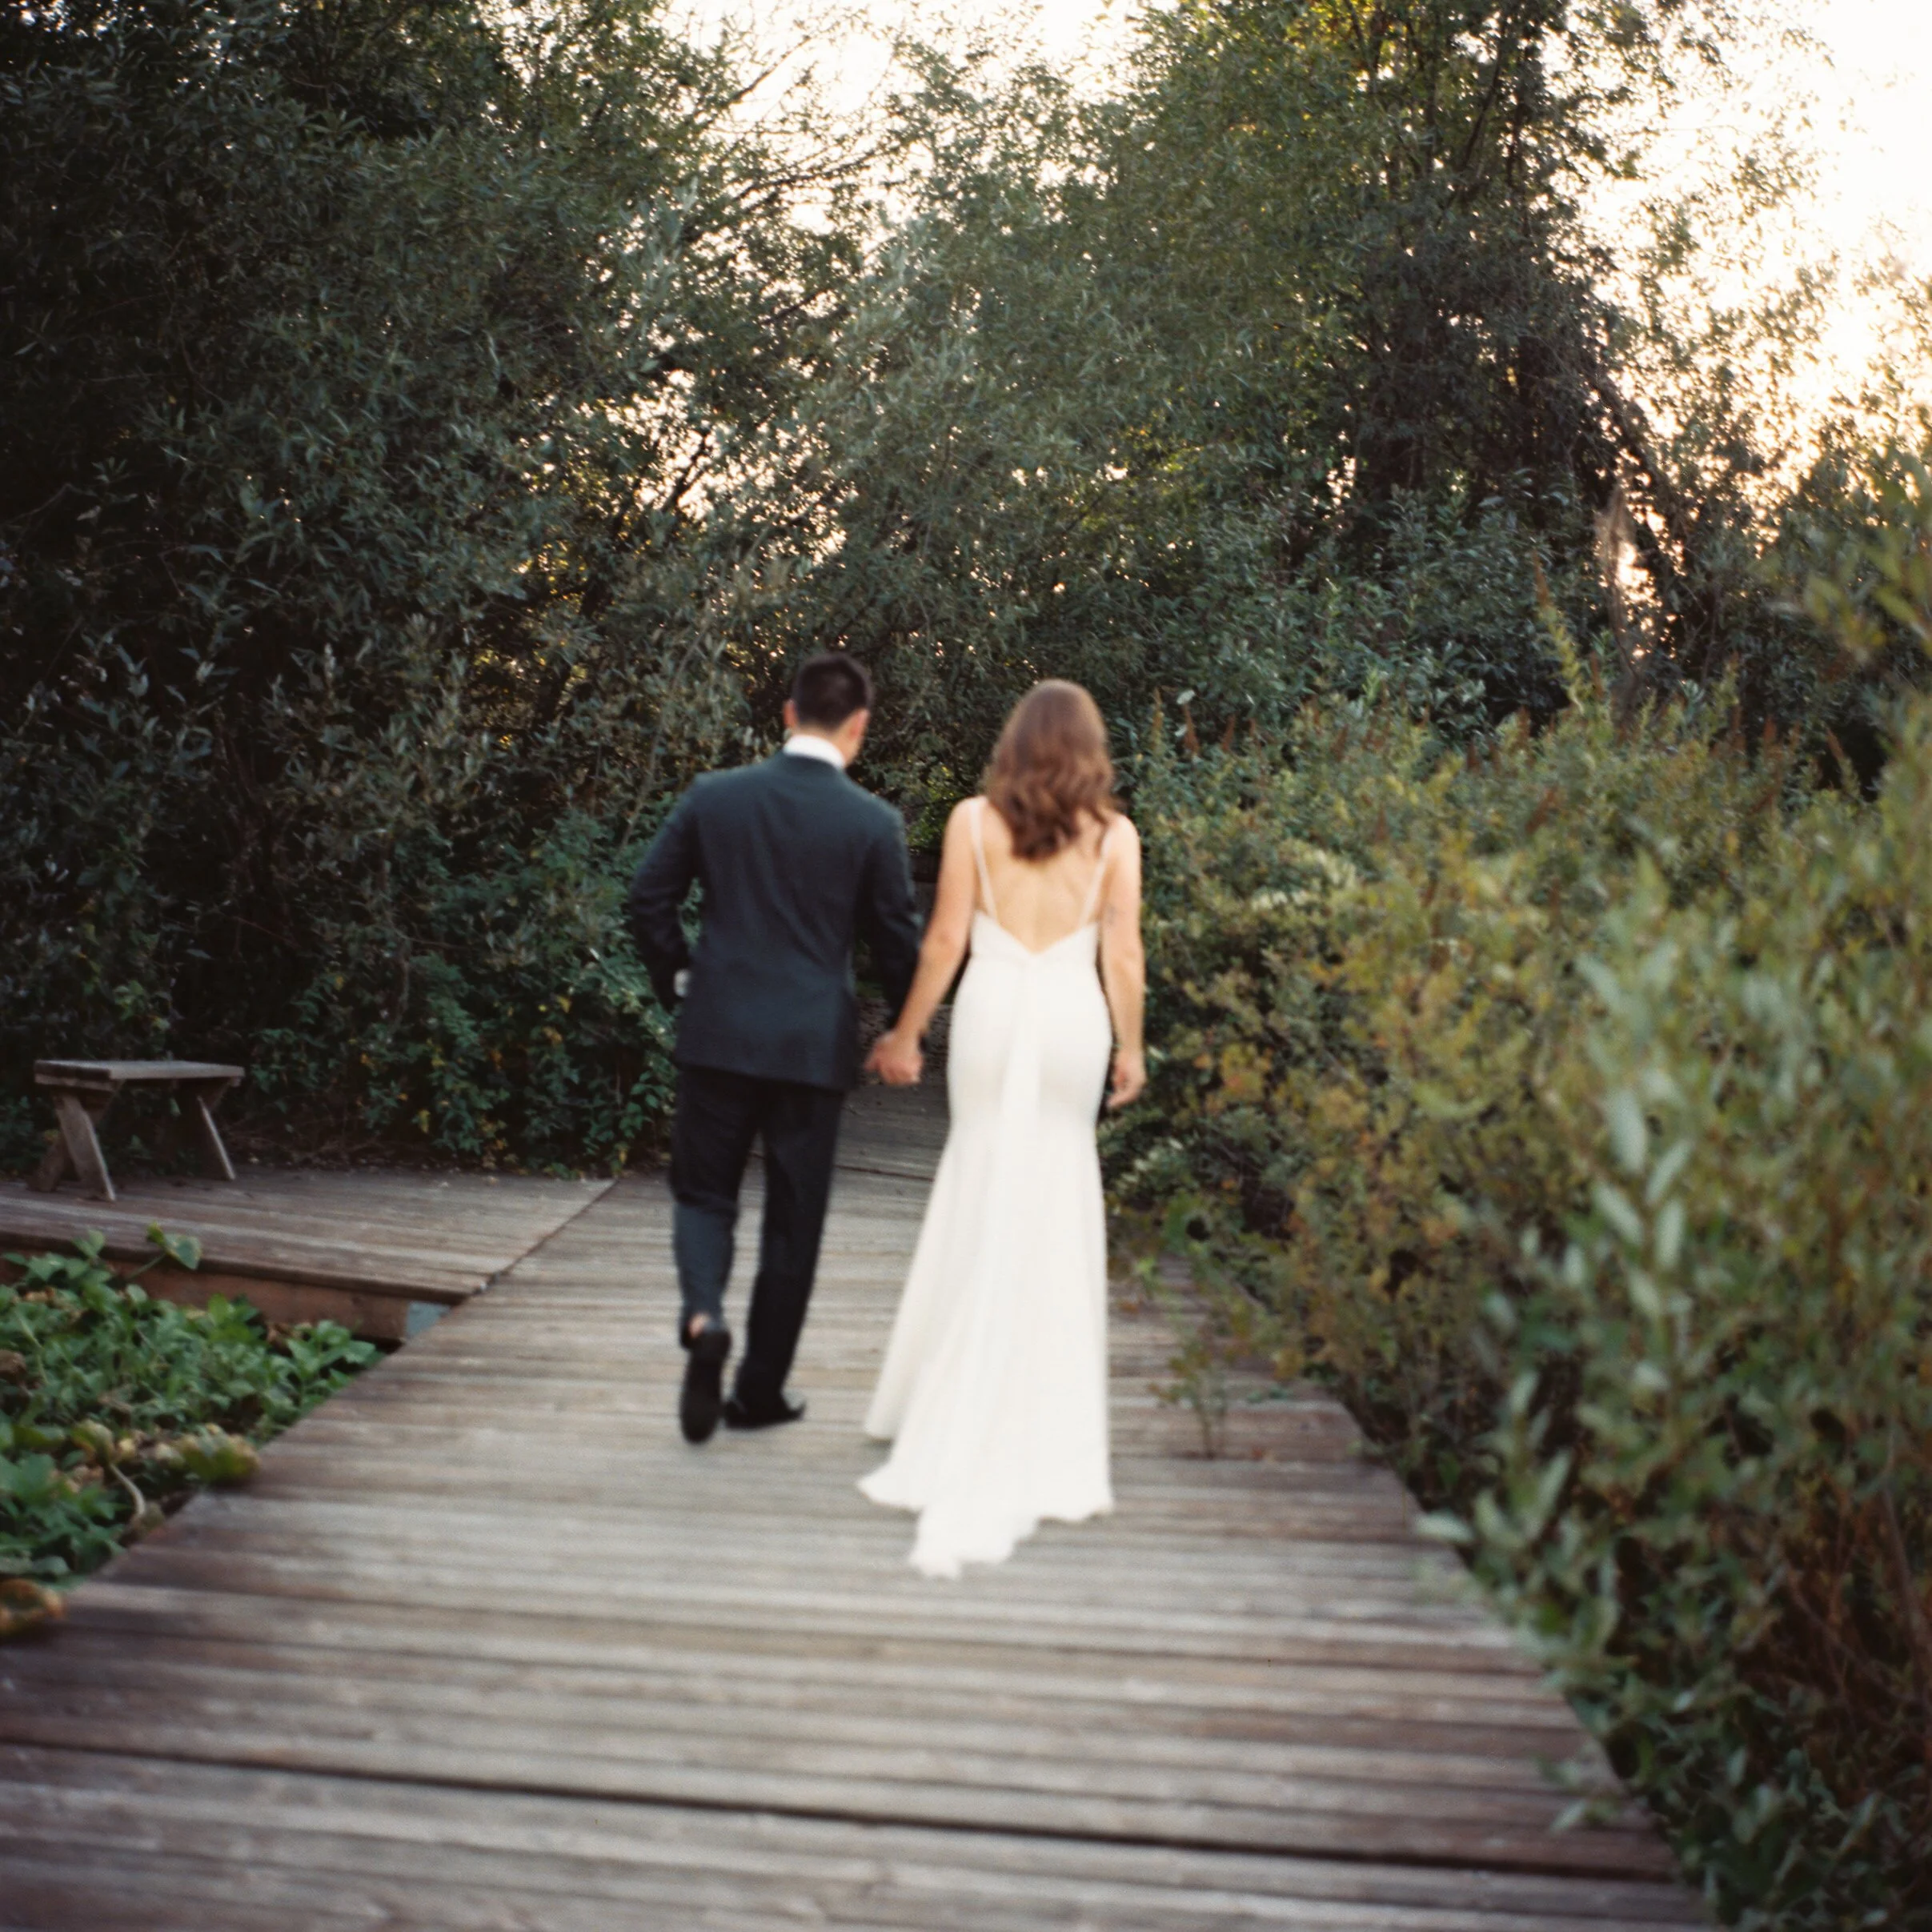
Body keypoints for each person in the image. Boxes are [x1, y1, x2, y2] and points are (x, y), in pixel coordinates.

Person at [859, 679, 1145, 1577]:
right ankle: (1045, 1410)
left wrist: (905, 1032)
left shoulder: (970, 820)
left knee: (977, 1170)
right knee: (1059, 1184)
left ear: (1014, 743)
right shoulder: (1115, 835)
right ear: (1091, 749)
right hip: (1070, 1021)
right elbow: (1122, 951)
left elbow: (943, 940)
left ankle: (941, 1393)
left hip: (989, 1015)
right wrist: (1130, 1048)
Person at [627, 653, 921, 1445]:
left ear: (787, 715)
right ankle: (757, 1391)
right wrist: (903, 1027)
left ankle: (701, 1315)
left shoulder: (715, 797)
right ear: (857, 726)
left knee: (703, 1195)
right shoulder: (871, 824)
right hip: (807, 1048)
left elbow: (646, 897)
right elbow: (898, 942)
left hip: (716, 1031)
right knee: (793, 1222)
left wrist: (681, 980)